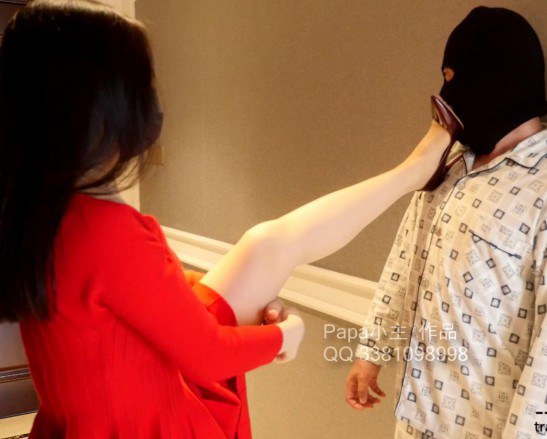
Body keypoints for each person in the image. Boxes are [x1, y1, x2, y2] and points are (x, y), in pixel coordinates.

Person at [0, 0, 452, 437]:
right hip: (148, 420)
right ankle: (414, 172)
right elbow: (209, 356)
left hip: (94, 414)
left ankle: (412, 172)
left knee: (267, 243)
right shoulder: (105, 229)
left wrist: (179, 284)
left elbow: (106, 295)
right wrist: (287, 334)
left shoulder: (39, 212)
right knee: (273, 243)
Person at [346, 7, 547, 439]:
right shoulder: (447, 166)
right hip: (412, 420)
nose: (446, 95)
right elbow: (405, 260)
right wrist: (371, 350)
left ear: (495, 76)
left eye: (454, 79)